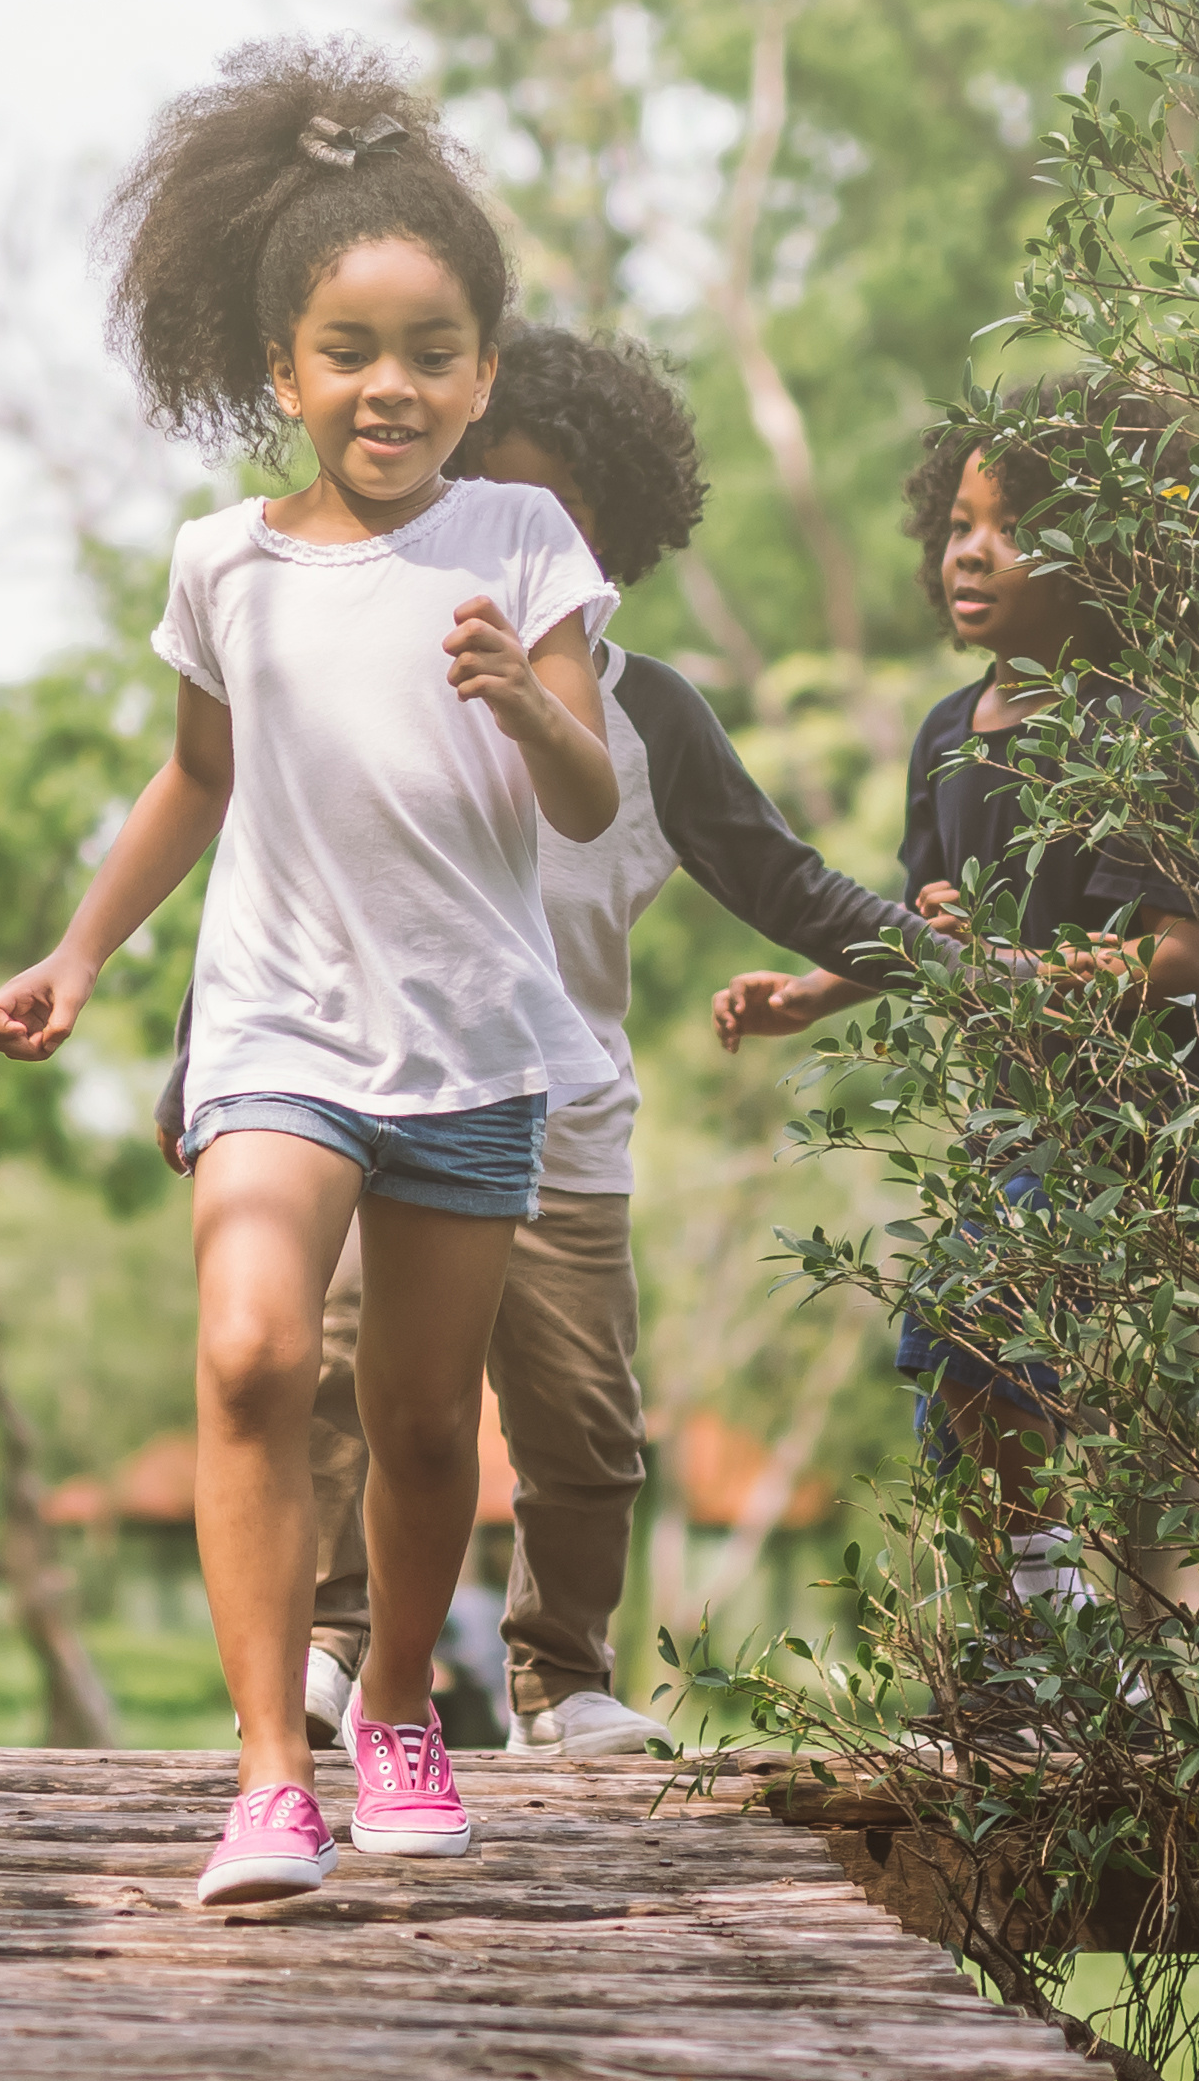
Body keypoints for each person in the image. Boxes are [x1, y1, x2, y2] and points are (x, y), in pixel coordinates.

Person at [0, 45, 617, 1909]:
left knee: (425, 1424)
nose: (389, 385)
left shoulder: (524, 543)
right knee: (254, 1348)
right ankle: (268, 1769)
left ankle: (400, 1697)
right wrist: (83, 949)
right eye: (348, 349)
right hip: (272, 1024)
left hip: (468, 1036)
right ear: (281, 373)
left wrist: (522, 696)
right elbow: (198, 773)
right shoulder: (223, 567)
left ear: (480, 373)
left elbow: (580, 800)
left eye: (430, 351)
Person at [156, 324, 928, 1754]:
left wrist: (951, 959)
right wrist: (201, 1049)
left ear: (607, 540)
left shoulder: (647, 716)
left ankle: (558, 1674)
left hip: (561, 1118)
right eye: (475, 496)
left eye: (544, 513)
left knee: (583, 1426)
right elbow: (273, 868)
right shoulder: (351, 657)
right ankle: (331, 1651)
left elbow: (783, 880)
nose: (496, 538)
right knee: (335, 1387)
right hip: (367, 1096)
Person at [712, 395, 1199, 1626]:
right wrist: (813, 991)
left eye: (1012, 526)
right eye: (955, 522)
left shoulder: (1126, 732)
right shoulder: (946, 735)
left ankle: (1071, 1614)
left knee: (983, 1313)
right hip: (1005, 1115)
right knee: (955, 1361)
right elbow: (919, 928)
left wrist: (1046, 977)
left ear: (1104, 555)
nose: (968, 550)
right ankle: (1022, 1628)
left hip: (1124, 1115)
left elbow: (1185, 949)